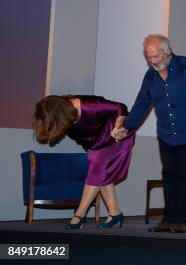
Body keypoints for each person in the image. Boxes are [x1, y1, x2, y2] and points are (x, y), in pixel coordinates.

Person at [113, 34, 186, 233]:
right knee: (169, 175)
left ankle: (181, 219)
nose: (152, 61)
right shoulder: (150, 76)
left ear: (167, 52)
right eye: (149, 57)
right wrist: (126, 127)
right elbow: (141, 104)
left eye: (155, 56)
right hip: (166, 134)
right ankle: (168, 218)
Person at [33, 95, 134, 230]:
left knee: (97, 170)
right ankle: (115, 212)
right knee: (101, 175)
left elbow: (120, 107)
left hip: (115, 134)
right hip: (96, 143)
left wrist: (119, 124)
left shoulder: (88, 106)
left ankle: (79, 216)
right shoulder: (65, 117)